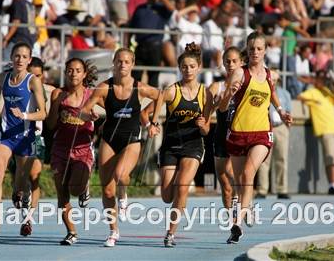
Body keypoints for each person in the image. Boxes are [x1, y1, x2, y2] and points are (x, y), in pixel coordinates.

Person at [80, 48, 161, 247]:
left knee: (119, 175)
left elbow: (160, 95)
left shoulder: (139, 88)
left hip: (131, 139)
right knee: (107, 191)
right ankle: (113, 231)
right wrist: (88, 115)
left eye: (126, 62)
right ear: (114, 63)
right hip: (109, 138)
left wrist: (153, 123)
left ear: (132, 64)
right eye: (119, 61)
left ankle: (123, 195)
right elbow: (83, 110)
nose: (122, 65)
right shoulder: (104, 88)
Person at [219, 31, 292, 244]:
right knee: (240, 181)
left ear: (265, 50)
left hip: (261, 134)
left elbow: (272, 93)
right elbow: (223, 107)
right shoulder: (239, 74)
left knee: (248, 174)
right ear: (247, 51)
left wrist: (281, 110)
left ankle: (237, 224)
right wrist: (228, 95)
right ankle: (246, 206)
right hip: (238, 133)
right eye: (252, 49)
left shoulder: (269, 74)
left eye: (259, 49)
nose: (255, 53)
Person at [0, 42, 46, 235]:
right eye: (17, 56)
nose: (20, 59)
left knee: (20, 183)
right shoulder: (3, 77)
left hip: (25, 136)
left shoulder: (32, 81)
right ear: (11, 58)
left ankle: (23, 195)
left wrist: (25, 116)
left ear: (29, 60)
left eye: (24, 57)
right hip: (5, 134)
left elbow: (43, 113)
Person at [149, 42, 212, 248]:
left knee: (183, 187)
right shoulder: (171, 91)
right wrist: (154, 123)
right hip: (171, 145)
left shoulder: (205, 94)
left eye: (192, 66)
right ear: (179, 68)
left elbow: (206, 130)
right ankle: (175, 197)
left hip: (193, 145)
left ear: (199, 68)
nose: (188, 70)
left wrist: (203, 126)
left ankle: (170, 233)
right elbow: (157, 103)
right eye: (184, 66)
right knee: (167, 196)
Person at [47, 57, 98, 245]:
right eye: (70, 70)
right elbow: (51, 124)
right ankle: (71, 232)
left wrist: (94, 118)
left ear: (84, 74)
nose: (73, 73)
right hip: (60, 148)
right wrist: (55, 104)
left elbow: (104, 119)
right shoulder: (58, 94)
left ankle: (84, 188)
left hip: (82, 148)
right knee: (62, 193)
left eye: (78, 70)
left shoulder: (91, 95)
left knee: (74, 190)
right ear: (65, 72)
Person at [17, 57, 55, 236]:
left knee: (34, 176)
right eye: (33, 75)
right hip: (16, 137)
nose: (36, 79)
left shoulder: (42, 91)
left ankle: (28, 219)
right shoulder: (17, 86)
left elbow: (44, 114)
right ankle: (23, 199)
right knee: (21, 181)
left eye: (39, 76)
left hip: (36, 136)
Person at [204, 46, 244, 215]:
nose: (231, 64)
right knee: (225, 184)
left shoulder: (247, 85)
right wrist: (217, 103)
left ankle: (244, 203)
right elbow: (206, 114)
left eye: (235, 61)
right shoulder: (216, 86)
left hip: (238, 135)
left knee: (233, 172)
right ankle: (231, 219)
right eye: (227, 61)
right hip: (220, 136)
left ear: (241, 63)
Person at [297, 70, 334, 195]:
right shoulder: (312, 92)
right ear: (316, 79)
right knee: (331, 159)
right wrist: (313, 99)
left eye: (324, 78)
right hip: (324, 129)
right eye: (321, 78)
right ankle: (332, 186)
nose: (323, 80)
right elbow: (300, 97)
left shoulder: (326, 92)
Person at [256, 69, 292, 199]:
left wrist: (288, 128)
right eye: (272, 79)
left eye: (276, 80)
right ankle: (262, 189)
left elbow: (289, 112)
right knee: (264, 160)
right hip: (266, 127)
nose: (274, 82)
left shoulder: (285, 94)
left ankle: (282, 189)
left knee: (282, 159)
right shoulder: (262, 91)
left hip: (281, 128)